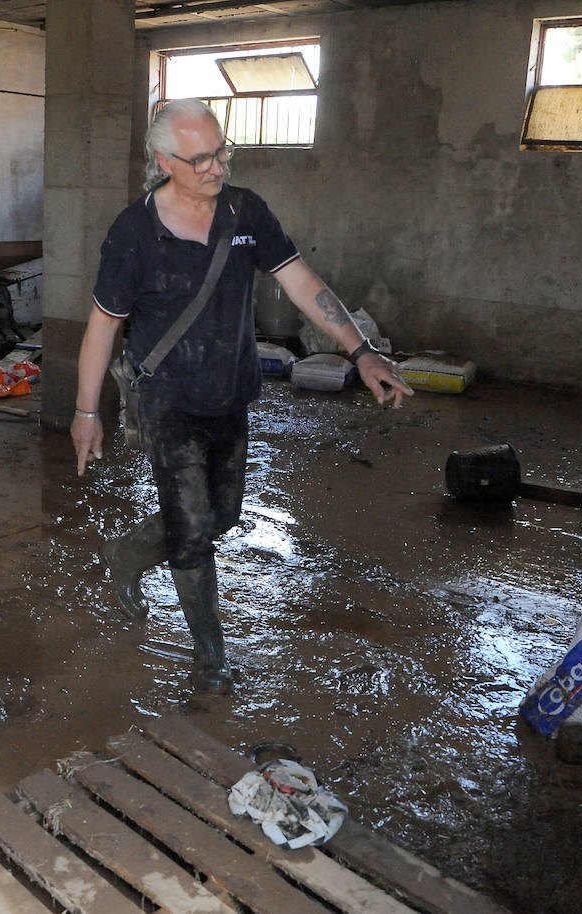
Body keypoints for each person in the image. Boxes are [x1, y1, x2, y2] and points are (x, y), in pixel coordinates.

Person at [71, 99, 413, 693]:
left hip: (230, 393)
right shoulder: (134, 233)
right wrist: (85, 411)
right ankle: (211, 660)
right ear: (164, 161)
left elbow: (302, 282)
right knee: (194, 525)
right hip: (168, 400)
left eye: (222, 150)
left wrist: (361, 351)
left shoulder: (245, 210)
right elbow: (102, 324)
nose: (216, 165)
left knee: (224, 513)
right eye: (200, 157)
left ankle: (129, 553)